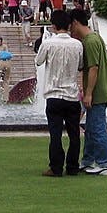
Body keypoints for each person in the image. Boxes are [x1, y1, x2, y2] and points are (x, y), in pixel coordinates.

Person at [36, 10, 84, 177]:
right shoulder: (77, 44)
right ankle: (72, 166)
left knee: (55, 134)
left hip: (54, 94)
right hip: (71, 95)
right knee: (74, 134)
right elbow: (80, 65)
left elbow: (38, 61)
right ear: (69, 25)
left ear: (54, 26)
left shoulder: (49, 43)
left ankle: (56, 167)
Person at [70, 8, 107, 176]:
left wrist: (88, 93)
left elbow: (93, 68)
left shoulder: (90, 41)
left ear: (75, 22)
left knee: (97, 127)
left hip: (98, 92)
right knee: (90, 128)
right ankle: (88, 159)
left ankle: (105, 163)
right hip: (98, 90)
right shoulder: (93, 39)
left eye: (71, 26)